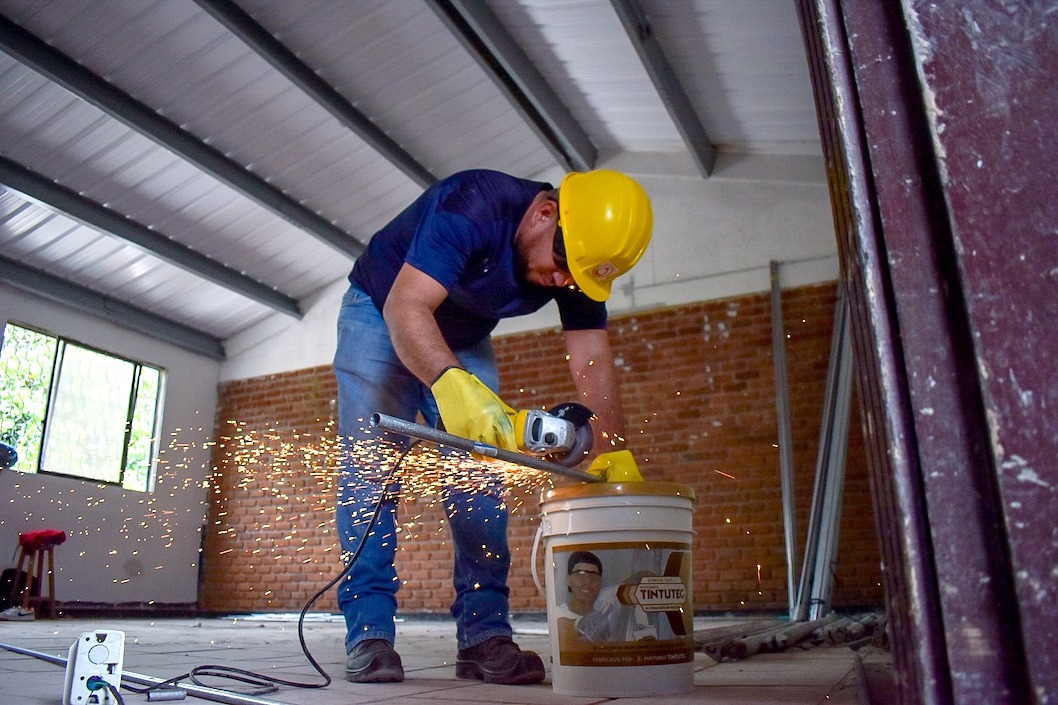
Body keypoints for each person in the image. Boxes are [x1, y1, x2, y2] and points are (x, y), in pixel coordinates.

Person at [333, 168, 653, 685]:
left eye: (574, 279)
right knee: (372, 471)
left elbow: (591, 353)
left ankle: (483, 637)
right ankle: (369, 634)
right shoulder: (475, 203)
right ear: (545, 214)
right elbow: (407, 304)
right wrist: (453, 386)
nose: (562, 283)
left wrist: (610, 451)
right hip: (382, 309)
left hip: (462, 332)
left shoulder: (579, 255)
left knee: (481, 480)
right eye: (560, 268)